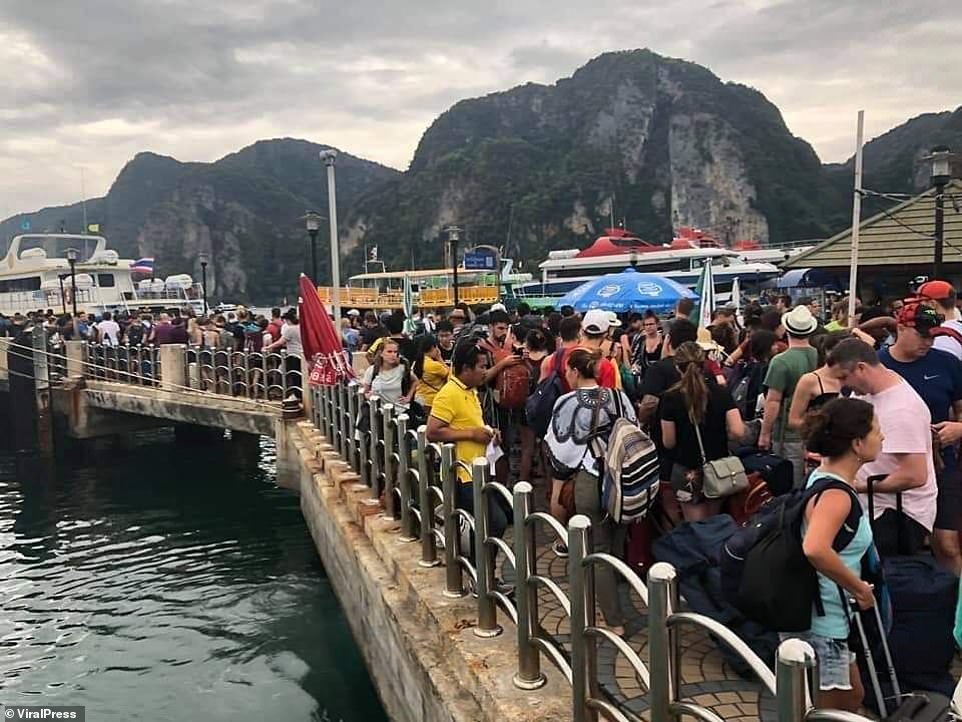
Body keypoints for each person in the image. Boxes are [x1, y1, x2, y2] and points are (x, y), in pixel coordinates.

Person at [784, 397, 881, 713]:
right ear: (856, 443)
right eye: (876, 432)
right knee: (835, 710)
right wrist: (858, 587)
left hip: (821, 613)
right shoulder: (837, 495)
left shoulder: (822, 476)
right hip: (823, 620)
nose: (882, 438)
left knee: (852, 697)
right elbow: (815, 547)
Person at [545, 348, 636, 635]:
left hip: (590, 480)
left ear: (573, 371)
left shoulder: (567, 403)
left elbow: (559, 450)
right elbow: (634, 430)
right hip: (623, 478)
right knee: (616, 545)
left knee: (597, 549)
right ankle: (618, 603)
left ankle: (613, 620)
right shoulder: (619, 398)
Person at [826, 338, 937, 557]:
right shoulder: (872, 390)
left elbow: (914, 475)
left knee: (884, 578)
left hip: (897, 515)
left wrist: (858, 486)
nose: (842, 385)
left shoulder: (901, 410)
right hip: (876, 508)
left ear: (861, 368)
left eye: (843, 377)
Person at [878, 302, 962, 574]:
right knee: (898, 542)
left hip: (941, 463)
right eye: (922, 335)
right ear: (901, 328)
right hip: (892, 465)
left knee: (947, 543)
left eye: (933, 336)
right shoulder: (876, 365)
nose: (928, 342)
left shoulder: (947, 363)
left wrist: (958, 429)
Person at [427, 342, 510, 590]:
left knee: (495, 519)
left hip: (479, 469)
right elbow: (433, 432)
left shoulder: (470, 390)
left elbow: (469, 423)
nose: (485, 372)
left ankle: (483, 575)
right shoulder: (449, 394)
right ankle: (480, 576)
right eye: (482, 367)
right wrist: (471, 434)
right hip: (463, 474)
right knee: (493, 521)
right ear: (465, 368)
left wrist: (487, 432)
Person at [660, 342, 746, 521]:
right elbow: (738, 431)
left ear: (678, 367)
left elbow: (669, 442)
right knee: (713, 520)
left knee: (696, 527)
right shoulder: (721, 393)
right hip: (718, 468)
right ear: (704, 363)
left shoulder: (670, 398)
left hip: (686, 470)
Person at [759, 305, 820, 489]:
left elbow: (773, 401)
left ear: (787, 330)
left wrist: (765, 433)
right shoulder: (819, 354)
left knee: (791, 485)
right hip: (817, 427)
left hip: (788, 432)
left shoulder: (780, 361)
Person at [362, 337, 415, 406]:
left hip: (400, 410)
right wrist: (368, 396)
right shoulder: (372, 370)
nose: (393, 355)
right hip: (379, 412)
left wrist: (408, 397)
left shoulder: (402, 368)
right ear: (381, 353)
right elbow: (365, 392)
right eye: (389, 352)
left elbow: (415, 381)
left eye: (395, 352)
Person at [918, 280, 962, 360]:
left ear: (932, 305)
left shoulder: (939, 337)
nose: (917, 307)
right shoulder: (958, 326)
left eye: (920, 303)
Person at [539, 315, 582, 391]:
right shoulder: (585, 357)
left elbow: (541, 388)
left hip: (556, 401)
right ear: (579, 334)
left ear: (560, 334)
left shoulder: (548, 360)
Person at [579, 309, 620, 389]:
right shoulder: (605, 365)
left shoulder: (567, 356)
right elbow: (607, 397)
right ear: (606, 334)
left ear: (582, 331)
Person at [413, 334, 448, 413]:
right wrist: (440, 358)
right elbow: (450, 375)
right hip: (431, 401)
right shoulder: (433, 365)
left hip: (419, 398)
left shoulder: (418, 361)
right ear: (433, 347)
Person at [630, 310, 663, 379]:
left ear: (657, 324)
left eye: (651, 324)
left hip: (661, 375)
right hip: (645, 376)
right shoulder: (641, 340)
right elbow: (634, 357)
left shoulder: (663, 338)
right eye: (646, 325)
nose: (648, 327)